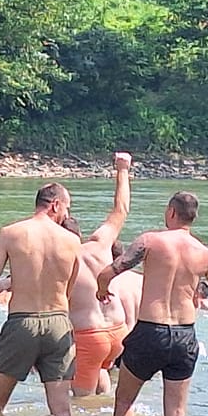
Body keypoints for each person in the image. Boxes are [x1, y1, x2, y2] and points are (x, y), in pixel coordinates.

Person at [97, 191, 208, 416]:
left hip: (150, 332)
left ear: (171, 212)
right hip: (184, 337)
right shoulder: (205, 255)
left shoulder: (150, 241)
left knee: (125, 402)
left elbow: (109, 272)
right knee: (177, 415)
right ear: (193, 218)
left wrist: (102, 289)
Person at [0, 181, 83, 416]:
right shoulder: (72, 241)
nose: (67, 215)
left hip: (21, 322)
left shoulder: (10, 233)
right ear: (55, 205)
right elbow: (69, 290)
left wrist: (11, 282)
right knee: (62, 412)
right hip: (58, 323)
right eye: (66, 208)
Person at [70, 154, 136, 399]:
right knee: (101, 383)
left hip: (90, 335)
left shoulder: (60, 260)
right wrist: (122, 170)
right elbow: (121, 209)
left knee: (81, 402)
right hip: (117, 331)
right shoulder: (99, 244)